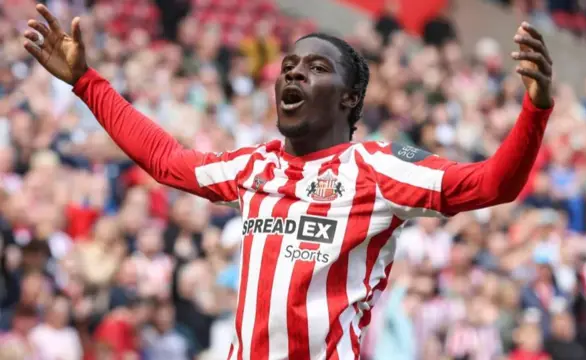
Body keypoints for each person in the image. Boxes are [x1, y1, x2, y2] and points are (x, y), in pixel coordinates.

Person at [22, 4, 554, 358]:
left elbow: (493, 184)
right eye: (290, 65)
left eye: (318, 68)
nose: (294, 73)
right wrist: (87, 83)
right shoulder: (255, 167)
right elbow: (165, 160)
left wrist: (535, 107)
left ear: (350, 99)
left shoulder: (381, 167)